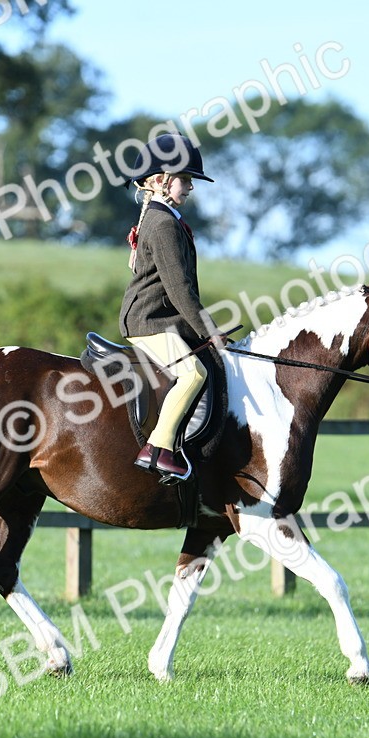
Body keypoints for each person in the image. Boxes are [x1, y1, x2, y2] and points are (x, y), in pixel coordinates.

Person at [119, 133, 218, 480]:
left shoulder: (163, 218)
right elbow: (179, 291)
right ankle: (158, 449)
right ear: (159, 180)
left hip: (160, 320)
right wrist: (209, 331)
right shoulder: (163, 224)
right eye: (185, 179)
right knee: (194, 374)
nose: (190, 187)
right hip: (149, 322)